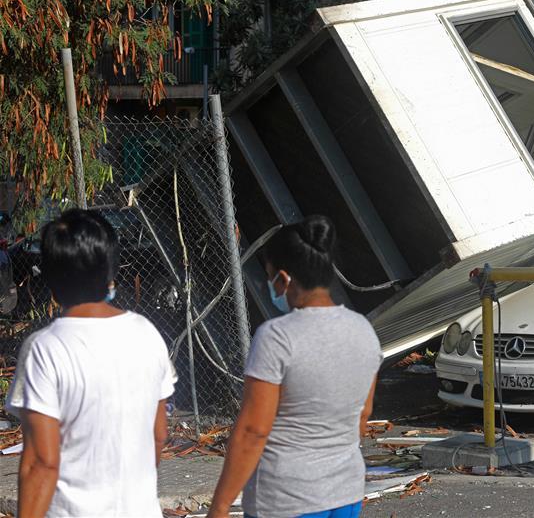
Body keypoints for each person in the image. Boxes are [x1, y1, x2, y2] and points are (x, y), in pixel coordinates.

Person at [208, 216, 381, 518]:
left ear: (284, 279)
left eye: (270, 275)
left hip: (287, 497)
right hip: (345, 492)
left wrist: (220, 506)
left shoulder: (277, 337)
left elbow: (253, 430)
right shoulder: (363, 329)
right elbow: (363, 414)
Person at [6, 209, 175, 517]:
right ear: (111, 273)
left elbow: (41, 462)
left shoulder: (44, 350)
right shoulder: (147, 335)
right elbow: (158, 432)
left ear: (52, 281)